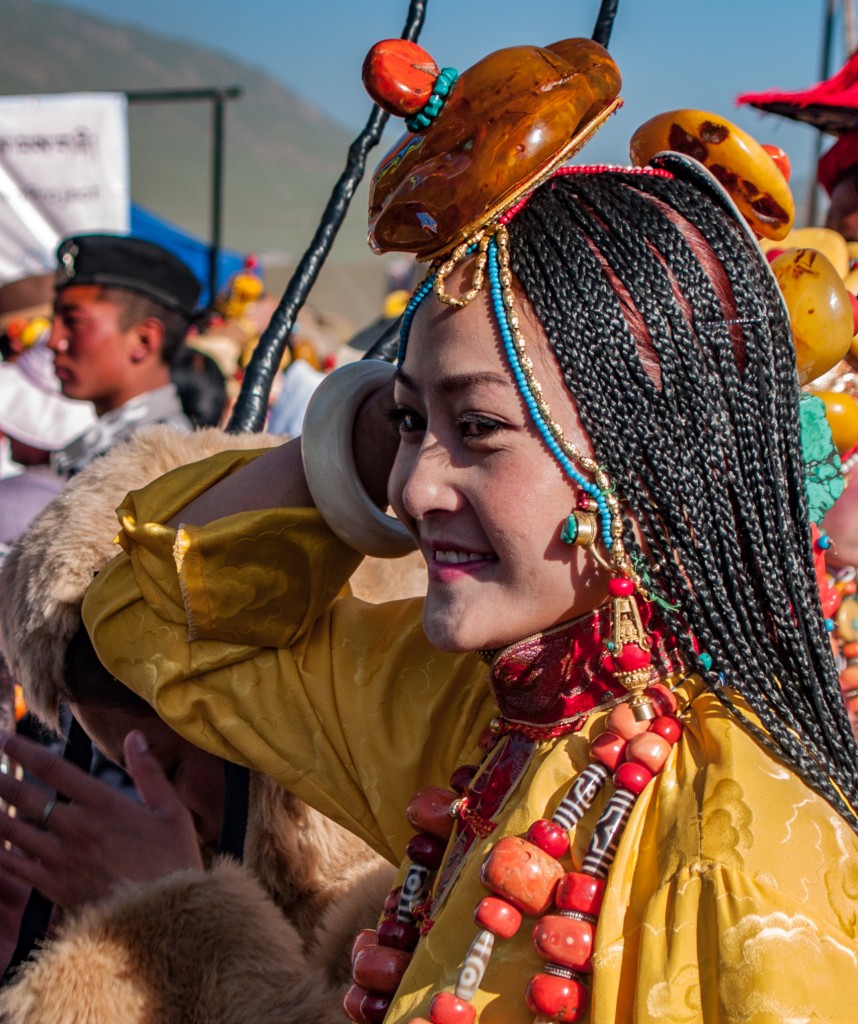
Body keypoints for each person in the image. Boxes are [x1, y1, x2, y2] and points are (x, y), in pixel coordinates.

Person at [4, 34, 858, 1023]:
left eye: (480, 427)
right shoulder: (489, 716)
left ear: (649, 452)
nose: (412, 486)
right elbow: (149, 616)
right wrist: (350, 443)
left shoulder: (739, 856)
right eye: (407, 426)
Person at [48, 234, 200, 476]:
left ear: (143, 340)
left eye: (73, 322)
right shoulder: (115, 447)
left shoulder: (161, 464)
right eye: (52, 322)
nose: (53, 341)